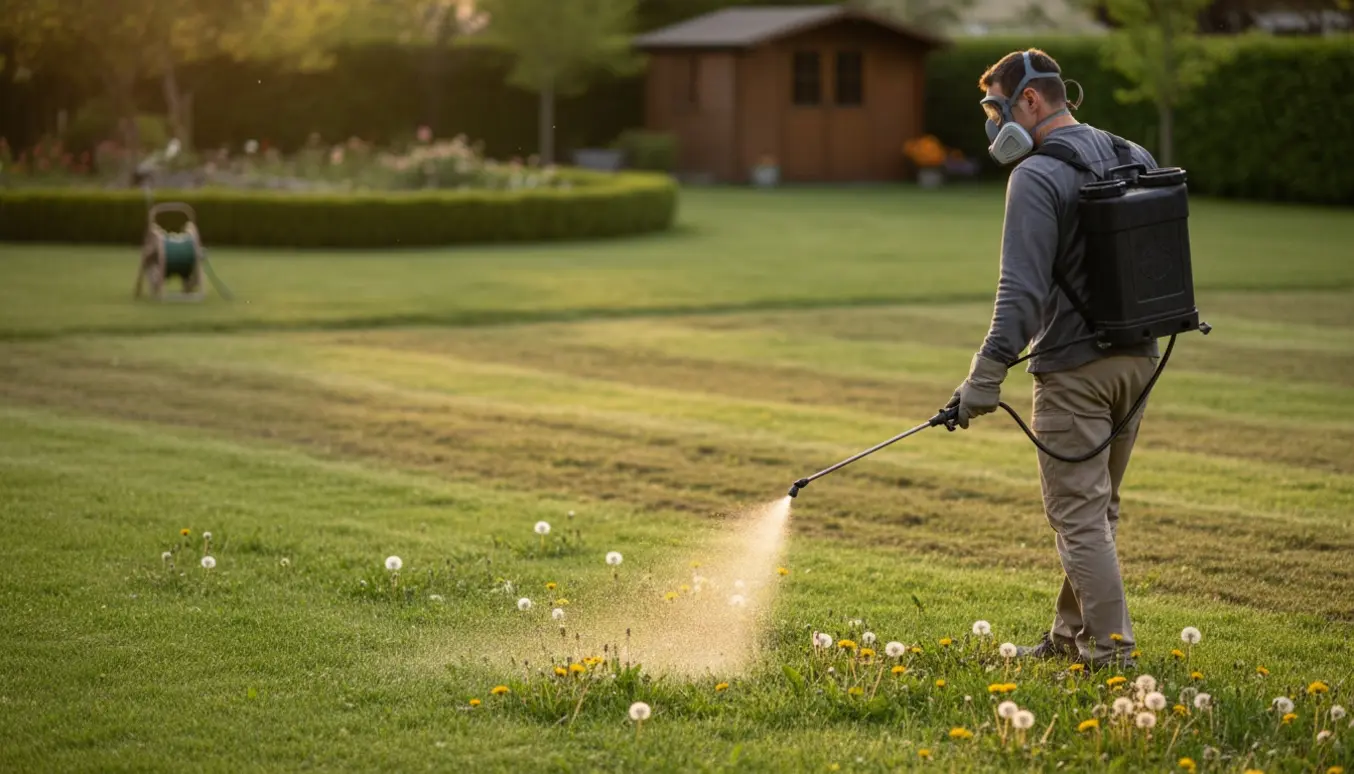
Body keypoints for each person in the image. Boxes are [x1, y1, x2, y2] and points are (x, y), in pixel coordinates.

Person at [947, 48, 1160, 669]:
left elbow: (1021, 293)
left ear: (1030, 102)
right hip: (1139, 363)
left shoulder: (1036, 175)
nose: (992, 124)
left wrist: (984, 378)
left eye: (995, 108)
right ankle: (1069, 637)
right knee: (1098, 512)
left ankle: (1110, 653)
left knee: (1077, 517)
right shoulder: (1133, 155)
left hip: (1073, 372)